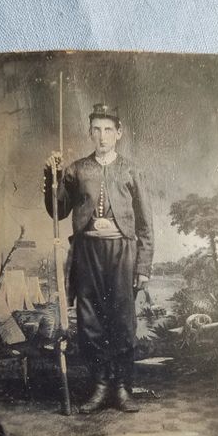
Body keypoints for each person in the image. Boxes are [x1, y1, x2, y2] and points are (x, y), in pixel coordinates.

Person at [44, 103, 154, 413]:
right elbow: (58, 210)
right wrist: (52, 175)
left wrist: (142, 267)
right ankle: (100, 386)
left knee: (121, 320)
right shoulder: (77, 169)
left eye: (108, 130)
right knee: (91, 321)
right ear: (90, 133)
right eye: (96, 130)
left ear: (118, 133)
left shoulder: (131, 170)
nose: (102, 136)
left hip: (122, 253)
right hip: (87, 253)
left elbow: (145, 224)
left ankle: (120, 388)